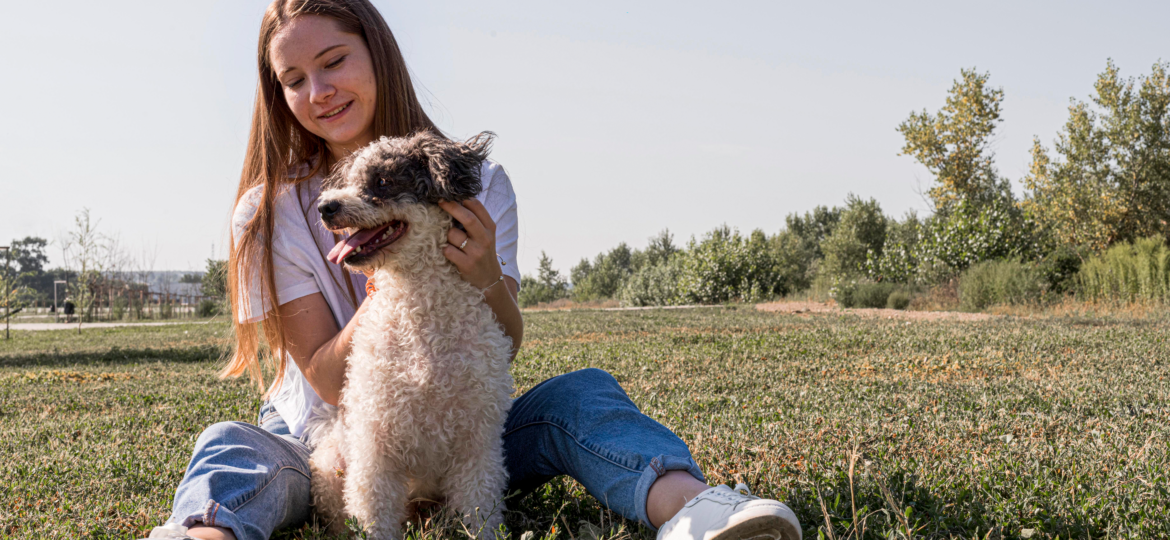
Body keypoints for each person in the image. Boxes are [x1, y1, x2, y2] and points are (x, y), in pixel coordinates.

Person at [143, 1, 801, 539]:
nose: (318, 92)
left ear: (379, 54)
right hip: (324, 441)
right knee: (233, 446)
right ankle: (202, 535)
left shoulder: (479, 184)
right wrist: (396, 275)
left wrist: (483, 273)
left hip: (463, 428)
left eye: (334, 61)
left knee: (584, 395)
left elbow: (501, 347)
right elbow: (324, 378)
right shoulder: (268, 211)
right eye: (293, 80)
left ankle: (694, 510)